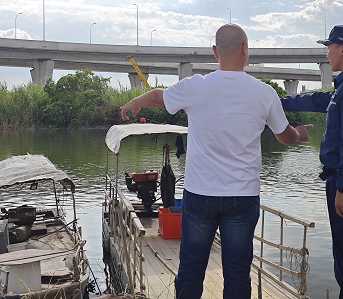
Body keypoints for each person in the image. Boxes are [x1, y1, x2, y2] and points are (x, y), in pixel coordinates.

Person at [120, 23, 311, 299]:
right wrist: (300, 134)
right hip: (242, 197)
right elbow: (284, 136)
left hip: (200, 195)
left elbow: (158, 96)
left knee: (191, 268)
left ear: (214, 51)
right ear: (245, 49)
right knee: (237, 273)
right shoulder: (264, 93)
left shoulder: (196, 86)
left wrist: (134, 102)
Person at [281, 25, 343, 299]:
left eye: (329, 48)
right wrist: (277, 102)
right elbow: (315, 100)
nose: (327, 54)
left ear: (342, 49)